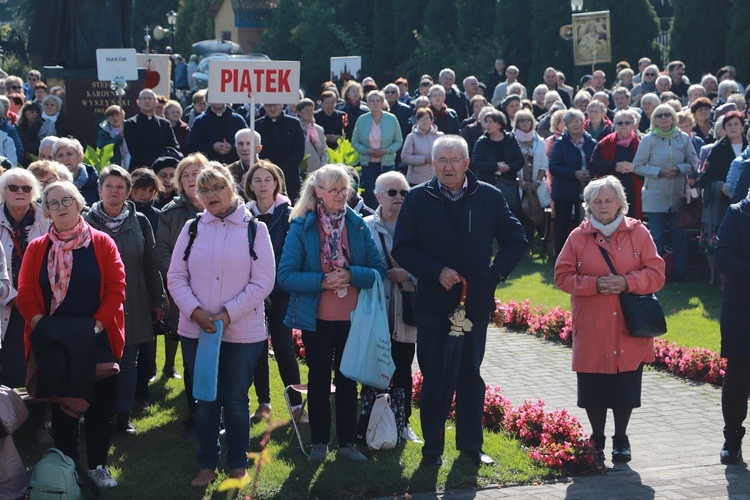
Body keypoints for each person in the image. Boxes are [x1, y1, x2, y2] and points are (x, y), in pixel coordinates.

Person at [392, 134, 526, 466]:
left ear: (467, 163)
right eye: (442, 160)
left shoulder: (489, 196)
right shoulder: (418, 198)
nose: (448, 166)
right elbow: (403, 248)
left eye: (455, 160)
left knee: (470, 374)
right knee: (435, 375)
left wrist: (493, 275)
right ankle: (432, 450)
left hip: (474, 304)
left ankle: (470, 446)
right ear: (432, 163)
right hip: (433, 304)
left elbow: (516, 239)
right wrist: (435, 271)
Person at [168, 164, 275, 486]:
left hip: (242, 332)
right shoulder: (191, 228)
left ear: (232, 188)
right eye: (203, 190)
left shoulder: (256, 229)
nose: (210, 195)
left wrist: (228, 314)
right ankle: (206, 464)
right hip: (196, 331)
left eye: (216, 187)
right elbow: (175, 277)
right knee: (205, 399)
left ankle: (237, 464)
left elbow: (263, 281)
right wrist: (194, 310)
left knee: (236, 401)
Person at [18, 181, 126, 489]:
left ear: (79, 204)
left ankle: (98, 466)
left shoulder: (102, 243)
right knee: (62, 406)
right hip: (55, 341)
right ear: (46, 211)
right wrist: (43, 327)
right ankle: (67, 469)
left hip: (97, 335)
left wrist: (95, 327)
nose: (61, 206)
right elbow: (25, 293)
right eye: (53, 203)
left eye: (67, 200)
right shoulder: (38, 247)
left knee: (101, 405)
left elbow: (116, 288)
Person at [277, 164, 386, 462]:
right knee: (320, 379)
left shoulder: (358, 224)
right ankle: (319, 443)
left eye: (345, 189)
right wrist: (322, 281)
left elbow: (378, 271)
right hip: (318, 318)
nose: (341, 195)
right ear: (319, 192)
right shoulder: (302, 225)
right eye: (334, 190)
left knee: (349, 380)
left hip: (354, 318)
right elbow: (285, 276)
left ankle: (347, 444)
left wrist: (351, 274)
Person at [554, 175, 665, 464]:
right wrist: (595, 285)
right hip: (591, 324)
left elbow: (657, 273)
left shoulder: (639, 233)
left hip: (629, 325)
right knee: (593, 386)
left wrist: (626, 282)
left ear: (620, 202)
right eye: (596, 201)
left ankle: (621, 438)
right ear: (588, 204)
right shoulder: (577, 237)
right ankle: (597, 437)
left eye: (608, 200)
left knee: (625, 385)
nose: (603, 206)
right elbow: (562, 276)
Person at [83, 166, 164, 435]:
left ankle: (122, 415)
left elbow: (151, 265)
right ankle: (96, 414)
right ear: (99, 190)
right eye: (109, 186)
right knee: (97, 361)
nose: (114, 191)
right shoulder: (84, 222)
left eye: (120, 187)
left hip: (134, 301)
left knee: (128, 361)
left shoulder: (140, 221)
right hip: (95, 303)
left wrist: (157, 299)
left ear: (128, 192)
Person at [243, 161, 305, 423]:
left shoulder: (290, 214)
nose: (262, 184)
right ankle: (263, 403)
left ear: (276, 183)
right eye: (257, 180)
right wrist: (257, 287)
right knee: (255, 347)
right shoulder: (244, 216)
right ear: (250, 185)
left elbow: (291, 254)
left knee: (282, 346)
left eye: (267, 179)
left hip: (280, 291)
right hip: (253, 292)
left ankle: (297, 407)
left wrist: (271, 285)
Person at [363, 171, 421, 443]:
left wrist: (408, 274)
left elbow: (430, 267)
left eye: (404, 193)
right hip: (373, 310)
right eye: (392, 193)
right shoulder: (364, 226)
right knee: (372, 367)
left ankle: (402, 422)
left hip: (405, 310)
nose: (399, 198)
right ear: (377, 196)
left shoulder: (418, 227)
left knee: (402, 366)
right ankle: (370, 419)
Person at [155, 153, 208, 435]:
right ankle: (195, 414)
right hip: (183, 294)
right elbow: (161, 252)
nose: (191, 178)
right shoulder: (170, 214)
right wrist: (182, 281)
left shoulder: (222, 207)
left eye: (196, 172)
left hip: (219, 293)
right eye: (185, 174)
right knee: (191, 356)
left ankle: (220, 412)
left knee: (221, 357)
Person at [0, 168, 50, 444]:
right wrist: (12, 296)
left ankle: (40, 424)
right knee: (8, 366)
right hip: (4, 305)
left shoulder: (46, 218)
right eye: (12, 187)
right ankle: (9, 422)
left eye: (26, 188)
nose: (20, 193)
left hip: (40, 305)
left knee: (39, 361)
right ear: (3, 192)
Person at [633, 104, 699, 281]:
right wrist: (659, 172)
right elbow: (637, 166)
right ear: (654, 118)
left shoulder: (683, 138)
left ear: (673, 118)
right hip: (655, 196)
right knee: (657, 237)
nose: (663, 118)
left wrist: (678, 169)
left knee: (679, 237)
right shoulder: (648, 140)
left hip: (678, 197)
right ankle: (655, 275)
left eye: (667, 115)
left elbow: (694, 162)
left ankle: (680, 273)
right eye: (659, 115)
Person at [715, 193, 750, 463]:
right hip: (742, 306)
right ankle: (732, 437)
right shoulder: (737, 213)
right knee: (738, 373)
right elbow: (723, 256)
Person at [697, 111, 747, 286]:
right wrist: (721, 186)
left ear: (742, 126)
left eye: (736, 123)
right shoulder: (717, 149)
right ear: (724, 128)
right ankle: (715, 277)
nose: (733, 127)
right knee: (716, 241)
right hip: (719, 202)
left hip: (744, 203)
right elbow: (704, 178)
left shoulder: (748, 148)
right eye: (729, 124)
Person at [549, 109, 597, 257]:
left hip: (587, 189)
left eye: (578, 121)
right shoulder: (560, 144)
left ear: (584, 122)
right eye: (571, 122)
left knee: (585, 224)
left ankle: (584, 257)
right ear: (566, 125)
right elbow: (554, 167)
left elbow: (597, 163)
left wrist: (590, 173)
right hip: (564, 190)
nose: (575, 124)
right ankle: (561, 258)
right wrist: (573, 173)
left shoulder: (592, 143)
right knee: (562, 225)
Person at [351, 90, 403, 209]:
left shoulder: (391, 119)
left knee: (388, 192)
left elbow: (398, 141)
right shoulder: (362, 119)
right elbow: (355, 142)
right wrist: (366, 150)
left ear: (382, 102)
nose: (375, 103)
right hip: (368, 163)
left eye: (378, 100)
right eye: (372, 101)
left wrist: (387, 150)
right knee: (370, 194)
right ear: (367, 103)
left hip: (387, 163)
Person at [589, 110, 643, 219]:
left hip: (634, 190)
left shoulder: (642, 143)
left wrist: (635, 168)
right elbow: (593, 164)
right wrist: (614, 166)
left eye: (627, 123)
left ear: (633, 125)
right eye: (620, 123)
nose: (623, 125)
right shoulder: (604, 143)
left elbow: (650, 165)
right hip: (610, 191)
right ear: (614, 125)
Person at [471, 108, 524, 213]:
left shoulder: (510, 139)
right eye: (486, 122)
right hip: (487, 185)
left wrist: (509, 167)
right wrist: (495, 166)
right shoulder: (482, 141)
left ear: (500, 124)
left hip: (508, 184)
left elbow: (520, 160)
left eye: (491, 122)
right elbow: (475, 163)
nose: (487, 125)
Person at [513, 108, 552, 246]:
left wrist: (537, 181)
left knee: (532, 213)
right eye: (522, 120)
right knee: (518, 214)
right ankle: (517, 245)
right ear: (517, 123)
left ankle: (529, 245)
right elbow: (511, 161)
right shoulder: (511, 139)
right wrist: (520, 182)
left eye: (528, 120)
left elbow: (543, 163)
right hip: (517, 184)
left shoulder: (539, 141)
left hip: (535, 183)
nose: (525, 123)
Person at [256, 102, 305, 202]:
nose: (272, 108)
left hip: (290, 179)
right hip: (264, 180)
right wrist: (268, 171)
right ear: (264, 106)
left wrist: (280, 172)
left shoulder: (294, 124)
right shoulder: (256, 125)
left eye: (275, 105)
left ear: (282, 105)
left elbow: (298, 151)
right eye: (269, 105)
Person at [124, 89, 179, 171]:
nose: (147, 101)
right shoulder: (131, 124)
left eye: (150, 98)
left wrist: (165, 159)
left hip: (164, 169)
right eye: (144, 98)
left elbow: (174, 146)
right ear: (138, 102)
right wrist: (157, 162)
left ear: (156, 103)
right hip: (141, 170)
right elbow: (136, 151)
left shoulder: (165, 123)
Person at [402, 107, 444, 186]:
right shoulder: (411, 137)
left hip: (436, 179)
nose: (424, 121)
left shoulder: (440, 136)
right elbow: (405, 157)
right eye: (421, 118)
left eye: (427, 118)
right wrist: (424, 159)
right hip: (416, 180)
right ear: (417, 121)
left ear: (432, 120)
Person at [53, 137, 99, 206]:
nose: (65, 159)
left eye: (69, 154)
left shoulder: (95, 184)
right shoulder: (51, 184)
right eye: (60, 155)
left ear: (80, 157)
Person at [296, 98, 328, 174]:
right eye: (306, 110)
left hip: (318, 172)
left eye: (311, 109)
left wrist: (322, 167)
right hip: (302, 171)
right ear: (300, 112)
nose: (309, 112)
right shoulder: (296, 128)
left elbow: (324, 151)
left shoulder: (319, 129)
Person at [228, 129, 262, 198]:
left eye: (249, 143)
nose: (244, 148)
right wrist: (240, 187)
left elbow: (282, 200)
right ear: (236, 148)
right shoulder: (227, 172)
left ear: (259, 148)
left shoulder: (271, 170)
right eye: (240, 144)